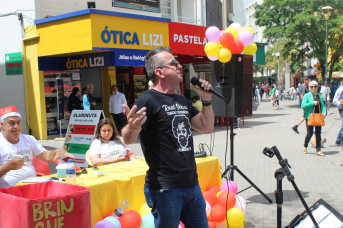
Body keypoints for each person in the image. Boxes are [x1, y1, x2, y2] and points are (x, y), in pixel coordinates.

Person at [122, 47, 214, 228]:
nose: (179, 66)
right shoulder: (147, 101)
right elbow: (128, 139)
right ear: (159, 72)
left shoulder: (182, 101)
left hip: (192, 185)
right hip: (165, 188)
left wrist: (207, 100)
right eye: (174, 63)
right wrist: (131, 128)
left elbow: (206, 127)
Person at [0, 105, 74, 188]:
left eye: (18, 122)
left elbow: (46, 156)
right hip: (8, 192)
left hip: (33, 188)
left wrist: (56, 152)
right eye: (11, 123)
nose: (16, 127)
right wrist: (8, 166)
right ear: (2, 125)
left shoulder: (29, 139)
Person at [301, 81, 326, 156]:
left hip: (318, 117)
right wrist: (313, 103)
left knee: (318, 134)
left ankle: (318, 150)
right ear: (309, 87)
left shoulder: (320, 96)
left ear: (317, 87)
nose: (313, 88)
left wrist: (324, 112)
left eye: (315, 86)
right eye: (311, 87)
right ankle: (305, 146)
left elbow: (323, 106)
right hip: (310, 117)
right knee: (309, 133)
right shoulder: (307, 95)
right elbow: (303, 105)